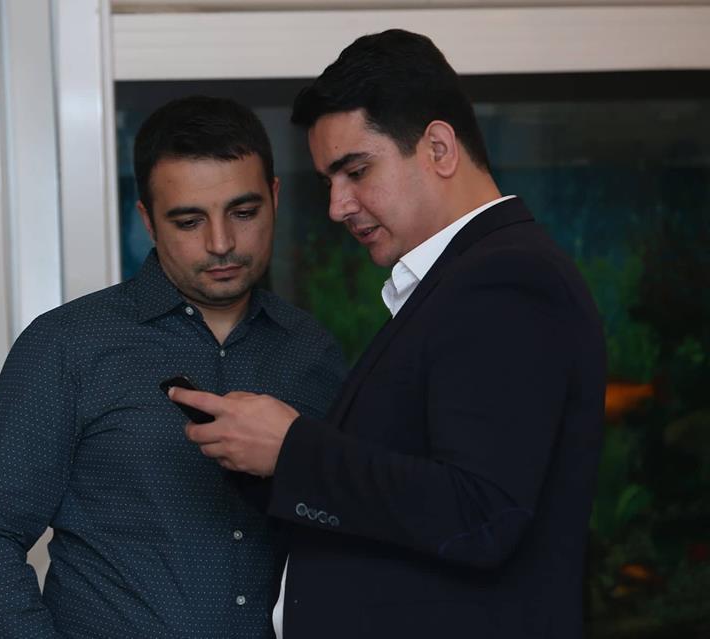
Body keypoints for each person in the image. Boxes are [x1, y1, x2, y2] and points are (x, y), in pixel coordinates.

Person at [174, 30, 606, 638]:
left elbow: (480, 514)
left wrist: (292, 450)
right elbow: (413, 494)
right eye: (329, 181)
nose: (337, 206)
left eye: (356, 171)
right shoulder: (459, 281)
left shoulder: (505, 280)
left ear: (439, 148)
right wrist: (263, 461)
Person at [0, 95, 344, 638]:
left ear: (274, 197)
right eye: (189, 221)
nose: (221, 242)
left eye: (243, 212)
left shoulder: (312, 351)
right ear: (148, 221)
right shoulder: (69, 344)